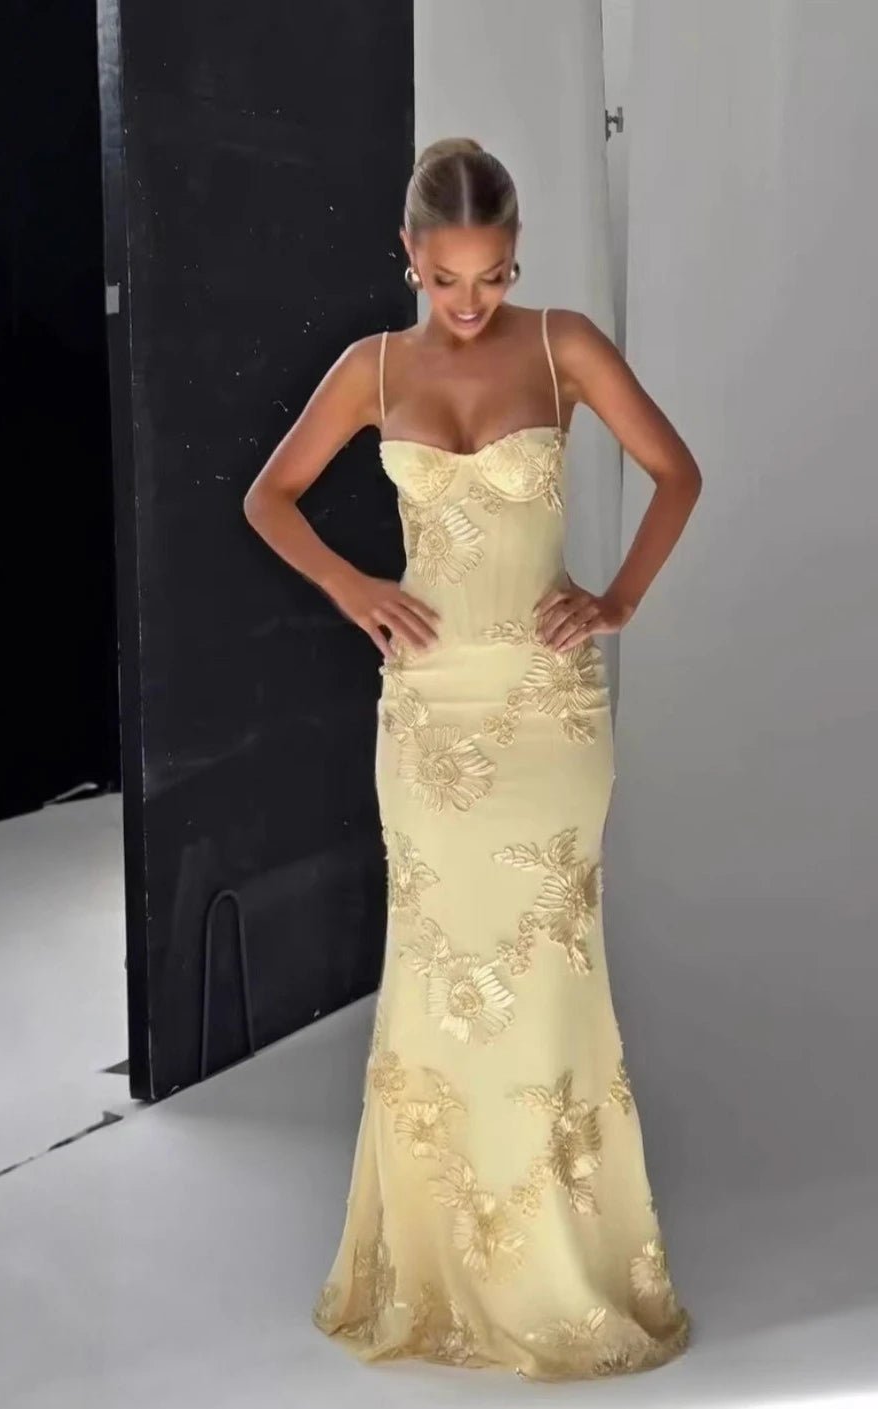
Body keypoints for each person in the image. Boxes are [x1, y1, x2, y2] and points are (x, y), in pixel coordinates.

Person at [243, 137, 703, 1381]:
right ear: (407, 257)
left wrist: (615, 602)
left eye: (493, 278)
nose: (469, 306)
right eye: (446, 280)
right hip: (426, 715)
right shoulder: (370, 367)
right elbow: (267, 497)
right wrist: (352, 589)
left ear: (515, 262)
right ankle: (441, 1271)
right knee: (438, 978)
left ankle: (562, 1270)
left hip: (548, 715)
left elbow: (676, 471)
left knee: (546, 985)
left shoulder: (563, 345)